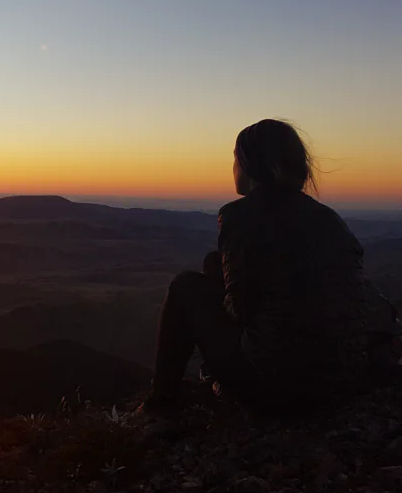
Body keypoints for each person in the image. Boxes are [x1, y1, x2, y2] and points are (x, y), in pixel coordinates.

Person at [140, 119, 368, 417]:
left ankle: (160, 405)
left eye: (235, 159)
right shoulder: (329, 218)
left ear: (248, 164)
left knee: (186, 287)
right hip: (345, 381)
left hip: (282, 392)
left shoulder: (241, 215)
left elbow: (241, 310)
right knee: (213, 263)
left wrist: (219, 306)